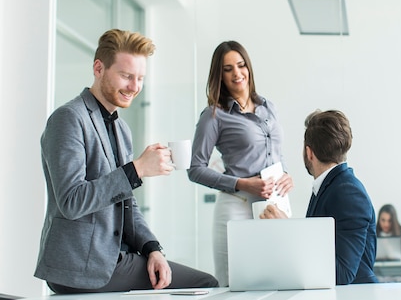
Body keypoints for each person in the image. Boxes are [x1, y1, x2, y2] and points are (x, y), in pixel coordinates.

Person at [34, 29, 218, 294]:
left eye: (140, 78)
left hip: (113, 259)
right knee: (206, 284)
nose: (134, 87)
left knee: (188, 279)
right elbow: (71, 202)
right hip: (80, 266)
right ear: (99, 68)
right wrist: (138, 169)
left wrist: (152, 248)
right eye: (126, 76)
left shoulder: (121, 129)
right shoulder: (68, 119)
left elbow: (126, 203)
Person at [187, 41, 293, 286]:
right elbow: (195, 169)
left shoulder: (269, 106)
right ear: (219, 75)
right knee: (234, 283)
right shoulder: (214, 115)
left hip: (274, 205)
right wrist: (243, 184)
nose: (237, 73)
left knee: (278, 279)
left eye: (241, 65)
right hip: (237, 207)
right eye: (228, 69)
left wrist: (286, 173)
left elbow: (277, 151)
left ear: (249, 68)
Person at [260, 110, 378, 285]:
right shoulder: (329, 186)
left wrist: (288, 228)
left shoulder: (348, 192)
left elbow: (343, 274)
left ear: (309, 153)